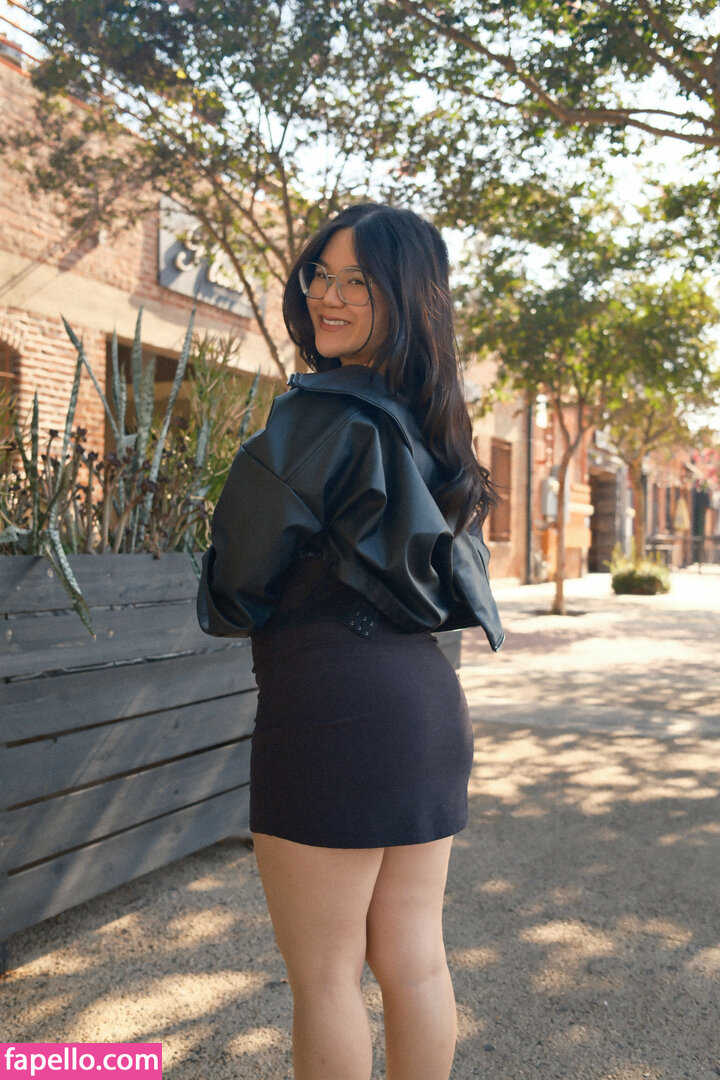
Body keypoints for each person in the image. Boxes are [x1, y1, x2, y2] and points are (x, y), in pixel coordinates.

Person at [197, 202, 504, 1080]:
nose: (327, 296)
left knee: (326, 976)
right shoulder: (434, 424)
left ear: (405, 296)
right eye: (319, 274)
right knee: (416, 961)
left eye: (357, 281)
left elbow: (235, 588)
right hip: (424, 704)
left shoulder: (314, 419)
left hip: (333, 706)